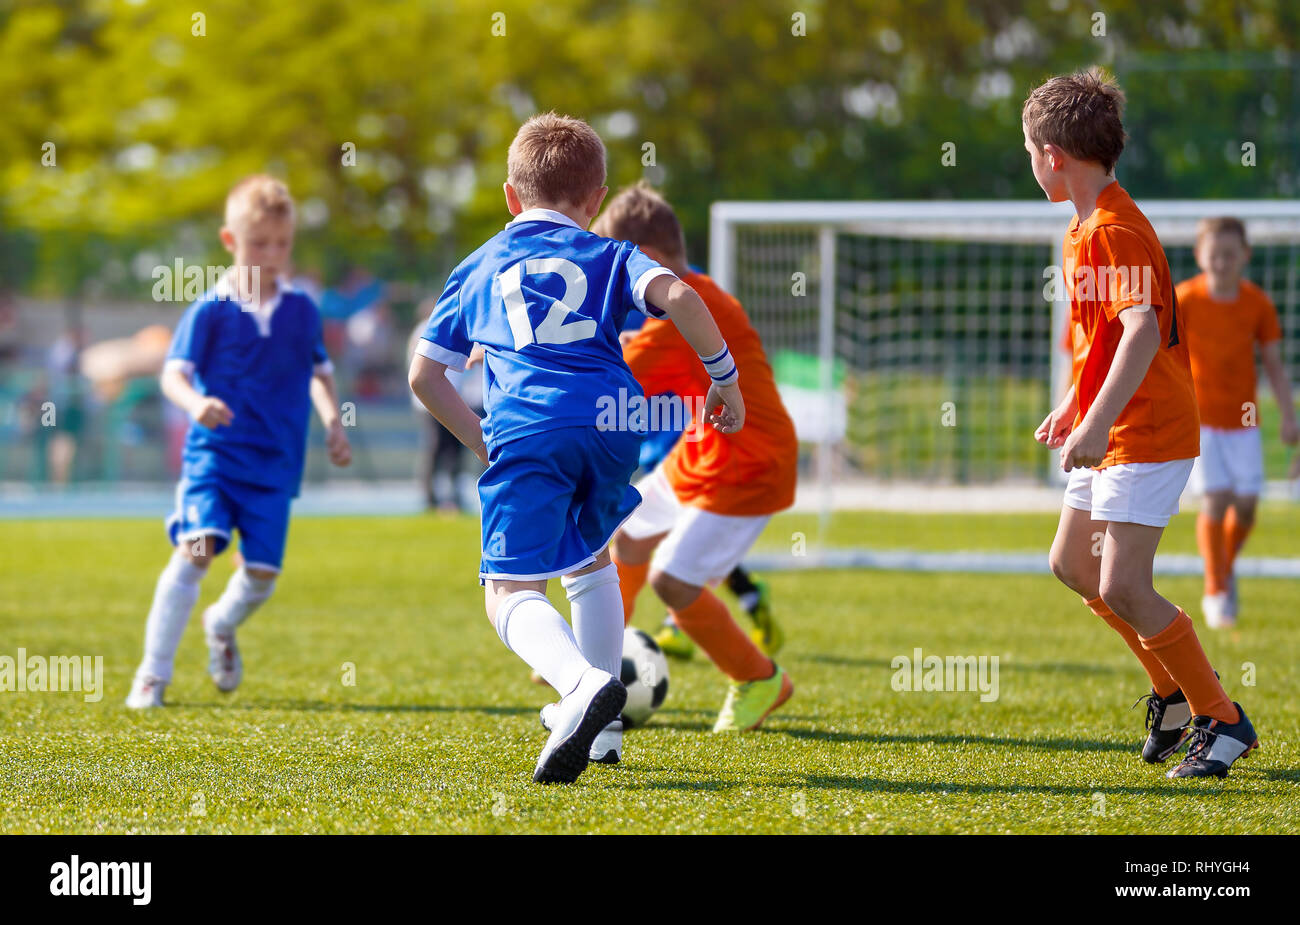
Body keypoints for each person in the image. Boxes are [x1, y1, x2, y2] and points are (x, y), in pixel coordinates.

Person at [408, 113, 745, 783]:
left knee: (506, 587)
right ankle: (605, 736)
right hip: (614, 426)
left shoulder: (479, 265)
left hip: (532, 426)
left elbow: (424, 374)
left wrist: (483, 442)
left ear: (510, 196)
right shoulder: (612, 253)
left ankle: (578, 684)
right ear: (596, 201)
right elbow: (679, 294)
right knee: (589, 561)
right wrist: (724, 379)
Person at [1028, 69, 1257, 779]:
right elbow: (1100, 340)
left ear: (1054, 156)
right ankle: (1172, 693)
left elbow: (1140, 333)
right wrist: (1074, 403)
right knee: (1073, 566)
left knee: (1125, 584)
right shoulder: (1081, 226)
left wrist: (1093, 424)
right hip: (1111, 426)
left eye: (1030, 151)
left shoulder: (1117, 228)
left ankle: (1222, 717)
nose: (1032, 164)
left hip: (1148, 429)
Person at [126, 175, 352, 708]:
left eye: (282, 244)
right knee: (197, 550)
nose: (271, 254)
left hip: (276, 465)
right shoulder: (208, 310)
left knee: (261, 577)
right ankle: (152, 676)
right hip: (216, 459)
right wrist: (195, 404)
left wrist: (333, 424)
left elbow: (320, 373)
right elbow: (172, 376)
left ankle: (220, 625)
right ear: (231, 242)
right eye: (259, 243)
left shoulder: (301, 310)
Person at [596, 182, 798, 733]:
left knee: (672, 583)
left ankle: (758, 678)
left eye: (619, 271)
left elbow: (609, 380)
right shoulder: (691, 295)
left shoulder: (684, 310)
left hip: (749, 469)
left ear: (650, 261)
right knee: (632, 535)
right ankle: (599, 653)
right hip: (705, 452)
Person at [1177, 217, 1298, 628]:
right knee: (1215, 498)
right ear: (1200, 255)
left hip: (1244, 421)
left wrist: (1289, 417)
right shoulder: (1185, 300)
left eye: (1231, 255)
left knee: (1245, 507)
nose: (1223, 263)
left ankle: (1223, 566)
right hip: (1201, 420)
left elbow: (1275, 366)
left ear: (1245, 255)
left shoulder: (1257, 304)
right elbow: (1160, 354)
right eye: (1215, 255)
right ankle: (1216, 588)